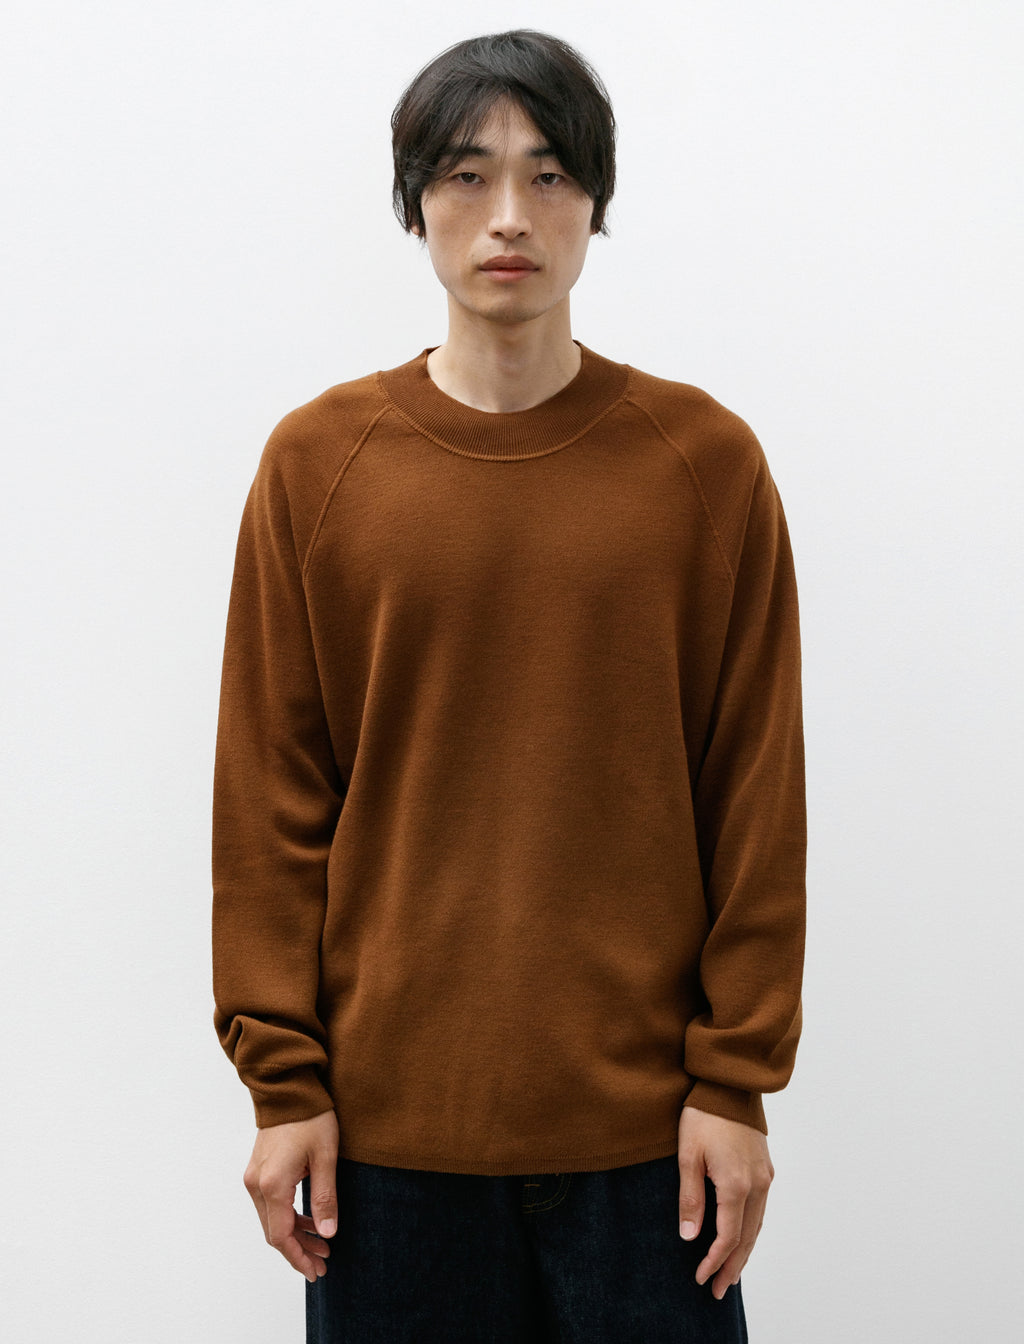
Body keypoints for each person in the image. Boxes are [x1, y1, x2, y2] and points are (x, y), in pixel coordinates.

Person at [213, 28, 805, 1343]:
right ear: (415, 202)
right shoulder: (318, 466)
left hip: (652, 1144)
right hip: (385, 1146)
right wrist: (283, 1083)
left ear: (596, 201)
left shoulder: (703, 466)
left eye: (549, 176)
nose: (509, 217)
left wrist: (736, 1080)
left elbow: (755, 795)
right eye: (467, 175)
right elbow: (270, 800)